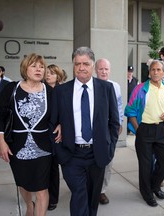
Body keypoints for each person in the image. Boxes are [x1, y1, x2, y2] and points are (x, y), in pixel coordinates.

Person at [50, 46, 120, 216]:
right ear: (73, 65)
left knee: (92, 198)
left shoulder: (106, 89)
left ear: (92, 65)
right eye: (77, 64)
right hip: (71, 155)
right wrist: (59, 152)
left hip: (98, 154)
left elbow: (114, 122)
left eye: (85, 64)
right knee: (79, 195)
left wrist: (109, 148)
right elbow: (52, 122)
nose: (81, 67)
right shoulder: (60, 91)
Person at [0, 53, 61, 216]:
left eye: (42, 66)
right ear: (25, 68)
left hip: (44, 146)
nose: (39, 69)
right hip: (17, 145)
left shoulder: (49, 91)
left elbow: (59, 113)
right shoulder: (11, 89)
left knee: (42, 188)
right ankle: (29, 205)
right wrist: (1, 142)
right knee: (23, 184)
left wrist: (61, 124)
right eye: (34, 65)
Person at [124, 60, 164, 207]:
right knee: (146, 165)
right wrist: (138, 129)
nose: (155, 72)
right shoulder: (140, 89)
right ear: (149, 72)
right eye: (153, 69)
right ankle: (147, 192)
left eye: (158, 69)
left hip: (161, 130)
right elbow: (130, 110)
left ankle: (155, 186)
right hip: (144, 130)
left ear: (163, 72)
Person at [94, 58, 123, 205]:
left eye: (106, 69)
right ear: (95, 70)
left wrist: (120, 124)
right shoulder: (90, 85)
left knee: (108, 161)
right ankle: (89, 187)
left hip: (109, 129)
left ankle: (102, 191)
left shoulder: (115, 86)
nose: (104, 72)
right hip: (93, 130)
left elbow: (118, 106)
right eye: (101, 69)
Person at [45, 64, 65, 211]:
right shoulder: (41, 89)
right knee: (46, 166)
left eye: (51, 73)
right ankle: (46, 196)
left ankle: (53, 198)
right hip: (43, 132)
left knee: (55, 166)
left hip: (57, 133)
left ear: (58, 76)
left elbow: (69, 111)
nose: (48, 75)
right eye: (47, 73)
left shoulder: (63, 90)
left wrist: (62, 125)